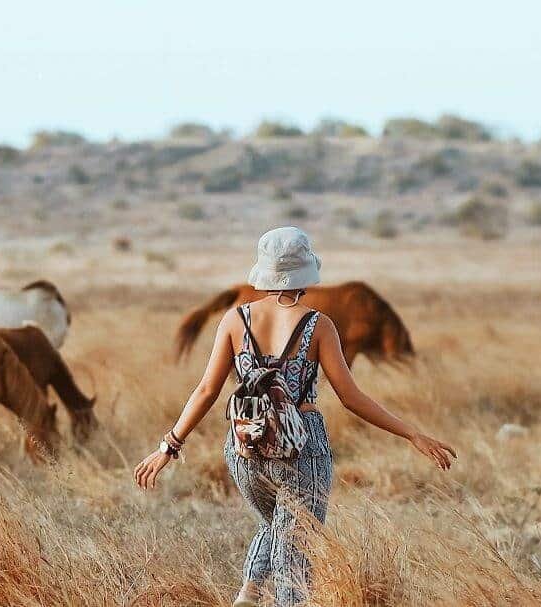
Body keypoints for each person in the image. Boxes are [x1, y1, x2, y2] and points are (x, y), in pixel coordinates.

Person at [133, 227, 456, 607]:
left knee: (278, 527)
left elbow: (206, 391)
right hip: (302, 450)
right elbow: (351, 397)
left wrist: (168, 447)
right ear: (306, 274)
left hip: (244, 450)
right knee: (296, 549)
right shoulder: (318, 325)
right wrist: (411, 434)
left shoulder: (235, 320)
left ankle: (250, 593)